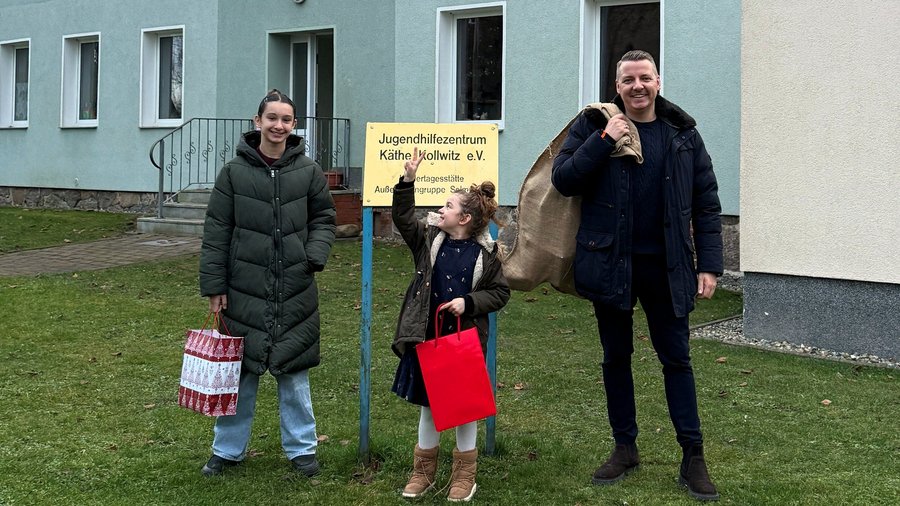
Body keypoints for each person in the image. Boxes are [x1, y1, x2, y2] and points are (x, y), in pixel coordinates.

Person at [551, 50, 723, 502]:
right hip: (611, 264)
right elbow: (564, 179)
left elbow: (706, 202)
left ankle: (693, 455)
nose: (638, 86)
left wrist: (709, 263)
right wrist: (605, 138)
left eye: (645, 78)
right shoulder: (593, 124)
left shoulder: (683, 134)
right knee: (616, 357)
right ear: (618, 84)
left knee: (677, 360)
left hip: (667, 268)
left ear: (659, 82)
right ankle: (625, 448)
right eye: (629, 79)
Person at [198, 89, 336, 477]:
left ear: (294, 126)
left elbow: (324, 219)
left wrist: (313, 257)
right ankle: (226, 450)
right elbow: (216, 232)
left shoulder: (308, 172)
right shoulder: (233, 173)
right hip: (243, 286)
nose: (278, 125)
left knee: (294, 371)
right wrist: (214, 286)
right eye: (271, 117)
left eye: (286, 119)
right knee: (239, 373)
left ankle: (302, 449)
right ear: (257, 121)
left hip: (294, 286)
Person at [390, 148, 510, 502]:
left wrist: (469, 302)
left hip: (465, 343)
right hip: (429, 339)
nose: (440, 210)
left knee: (464, 408)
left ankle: (464, 476)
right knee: (429, 404)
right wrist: (407, 181)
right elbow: (402, 218)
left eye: (448, 206)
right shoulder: (427, 242)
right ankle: (423, 471)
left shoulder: (486, 256)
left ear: (465, 219)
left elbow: (500, 293)